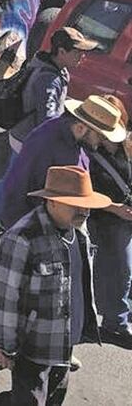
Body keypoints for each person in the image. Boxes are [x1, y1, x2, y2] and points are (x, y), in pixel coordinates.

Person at [0, 166, 111, 405]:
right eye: (75, 204)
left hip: (64, 343)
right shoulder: (21, 238)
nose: (84, 211)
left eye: (86, 204)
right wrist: (4, 346)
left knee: (56, 396)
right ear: (51, 202)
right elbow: (6, 297)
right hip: (34, 347)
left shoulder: (79, 231)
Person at [0, 95, 123, 235]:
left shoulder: (74, 139)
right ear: (81, 128)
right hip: (38, 228)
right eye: (101, 136)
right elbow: (20, 189)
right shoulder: (46, 144)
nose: (103, 141)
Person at [85, 98, 132, 348]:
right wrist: (115, 209)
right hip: (106, 218)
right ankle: (115, 323)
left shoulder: (127, 144)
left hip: (125, 214)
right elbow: (82, 193)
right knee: (121, 270)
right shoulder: (87, 153)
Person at [9, 27, 98, 152]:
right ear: (61, 52)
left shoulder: (56, 68)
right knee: (22, 171)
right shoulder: (49, 80)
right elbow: (47, 120)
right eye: (77, 52)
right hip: (27, 140)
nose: (82, 56)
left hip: (27, 134)